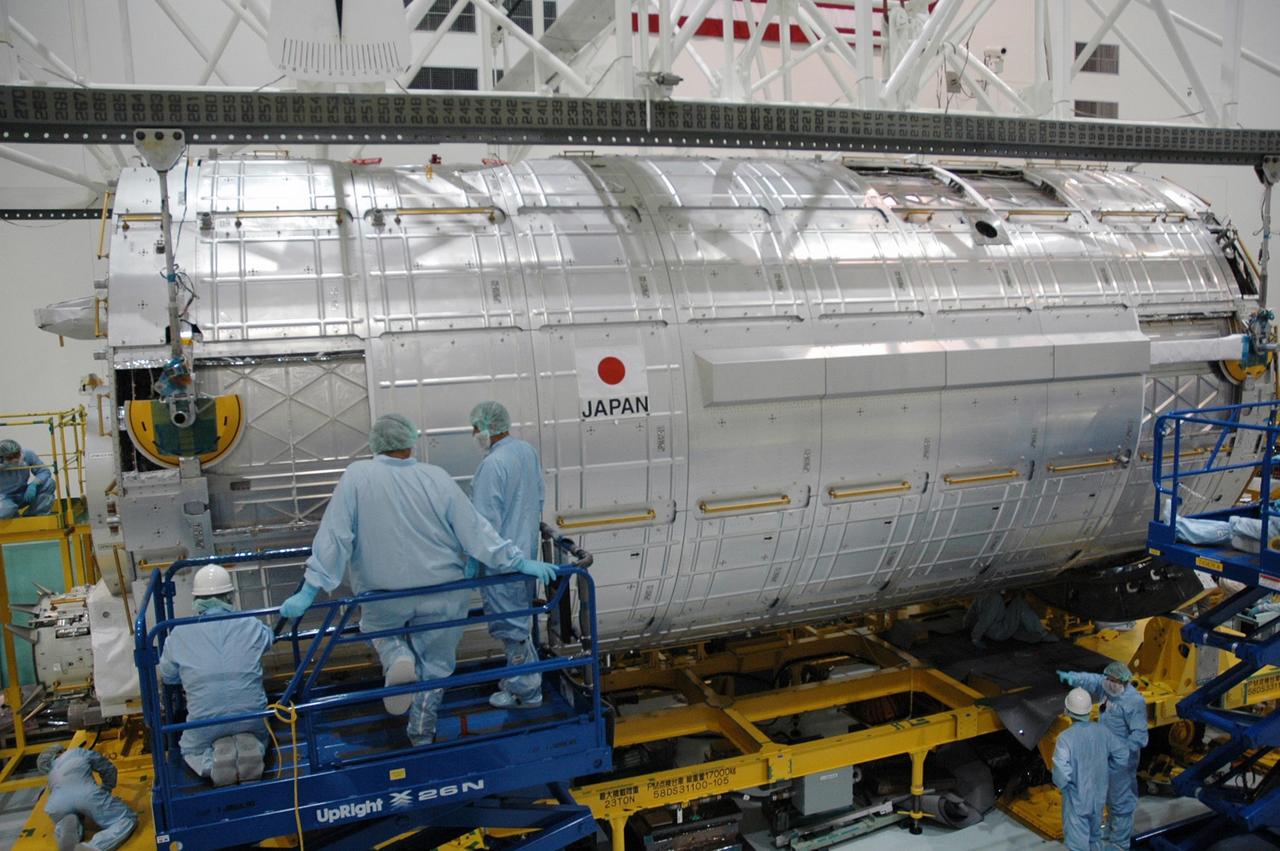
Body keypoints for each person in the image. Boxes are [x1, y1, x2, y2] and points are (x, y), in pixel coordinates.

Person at [280, 413, 561, 746]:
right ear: (411, 442)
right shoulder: (436, 477)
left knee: (379, 630)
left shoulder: (357, 476)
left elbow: (335, 535)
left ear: (376, 443)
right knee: (437, 664)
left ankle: (396, 655)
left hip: (384, 594)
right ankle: (422, 730)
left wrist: (309, 589)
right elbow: (475, 529)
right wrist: (518, 561)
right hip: (443, 592)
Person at [157, 563, 274, 786]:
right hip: (251, 716)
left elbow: (168, 675)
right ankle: (253, 747)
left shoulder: (179, 633)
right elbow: (268, 640)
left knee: (191, 747)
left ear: (196, 600)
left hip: (205, 721)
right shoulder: (250, 623)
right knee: (261, 733)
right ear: (229, 596)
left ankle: (211, 764)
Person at [469, 401, 546, 709]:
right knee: (519, 622)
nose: (474, 434)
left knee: (512, 629)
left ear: (488, 427)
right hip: (525, 554)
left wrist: (474, 558)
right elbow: (539, 498)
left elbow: (484, 524)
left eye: (475, 427)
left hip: (503, 562)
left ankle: (525, 692)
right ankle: (521, 678)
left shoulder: (493, 465)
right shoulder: (526, 451)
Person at [1057, 661, 1149, 849]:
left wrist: (1120, 752)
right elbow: (1092, 680)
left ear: (1124, 682)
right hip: (1106, 755)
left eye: (1114, 681)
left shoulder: (1134, 702)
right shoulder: (1108, 688)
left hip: (1122, 761)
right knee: (1106, 794)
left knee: (1120, 800)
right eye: (1108, 678)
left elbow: (1140, 736)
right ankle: (1112, 827)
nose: (1108, 683)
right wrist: (1072, 677)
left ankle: (1120, 842)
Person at [1052, 687, 1128, 851]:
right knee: (1095, 839)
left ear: (1068, 711)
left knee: (1077, 845)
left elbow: (1060, 771)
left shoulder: (1065, 739)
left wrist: (1067, 788)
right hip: (1098, 797)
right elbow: (1122, 755)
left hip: (1077, 799)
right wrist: (1107, 774)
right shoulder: (1103, 731)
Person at [38, 744, 137, 851]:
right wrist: (107, 788)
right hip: (87, 795)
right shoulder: (78, 752)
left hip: (56, 805)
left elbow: (52, 791)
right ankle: (92, 847)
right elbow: (107, 768)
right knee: (126, 819)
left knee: (68, 817)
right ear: (59, 751)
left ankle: (66, 830)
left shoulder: (52, 772)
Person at [964, 589, 1058, 648]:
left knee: (1016, 619)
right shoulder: (995, 598)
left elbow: (971, 613)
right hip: (998, 632)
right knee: (1019, 604)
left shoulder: (983, 593)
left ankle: (1030, 636)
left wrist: (967, 625)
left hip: (994, 628)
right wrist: (975, 638)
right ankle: (1042, 634)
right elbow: (986, 620)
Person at [0, 438, 55, 519]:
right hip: (4, 497)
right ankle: (14, 515)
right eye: (10, 457)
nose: (15, 459)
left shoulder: (27, 454)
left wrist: (34, 484)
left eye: (17, 455)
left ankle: (33, 515)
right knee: (5, 512)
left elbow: (44, 471)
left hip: (24, 494)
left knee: (49, 483)